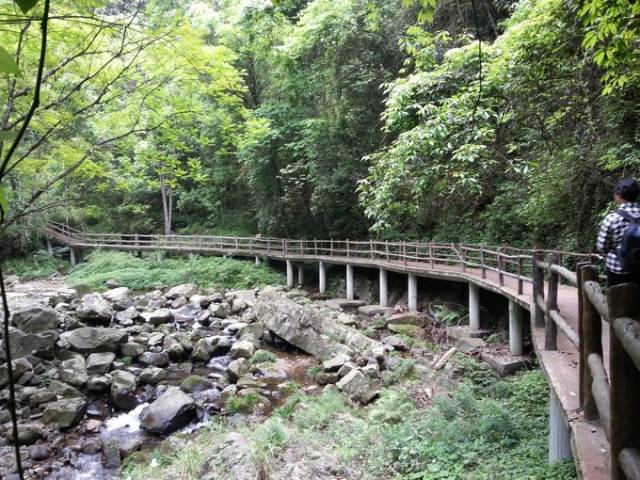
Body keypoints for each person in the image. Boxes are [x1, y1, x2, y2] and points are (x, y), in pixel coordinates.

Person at [597, 177, 640, 286]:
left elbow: (602, 247)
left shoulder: (612, 218)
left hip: (618, 269)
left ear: (618, 195)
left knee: (618, 302)